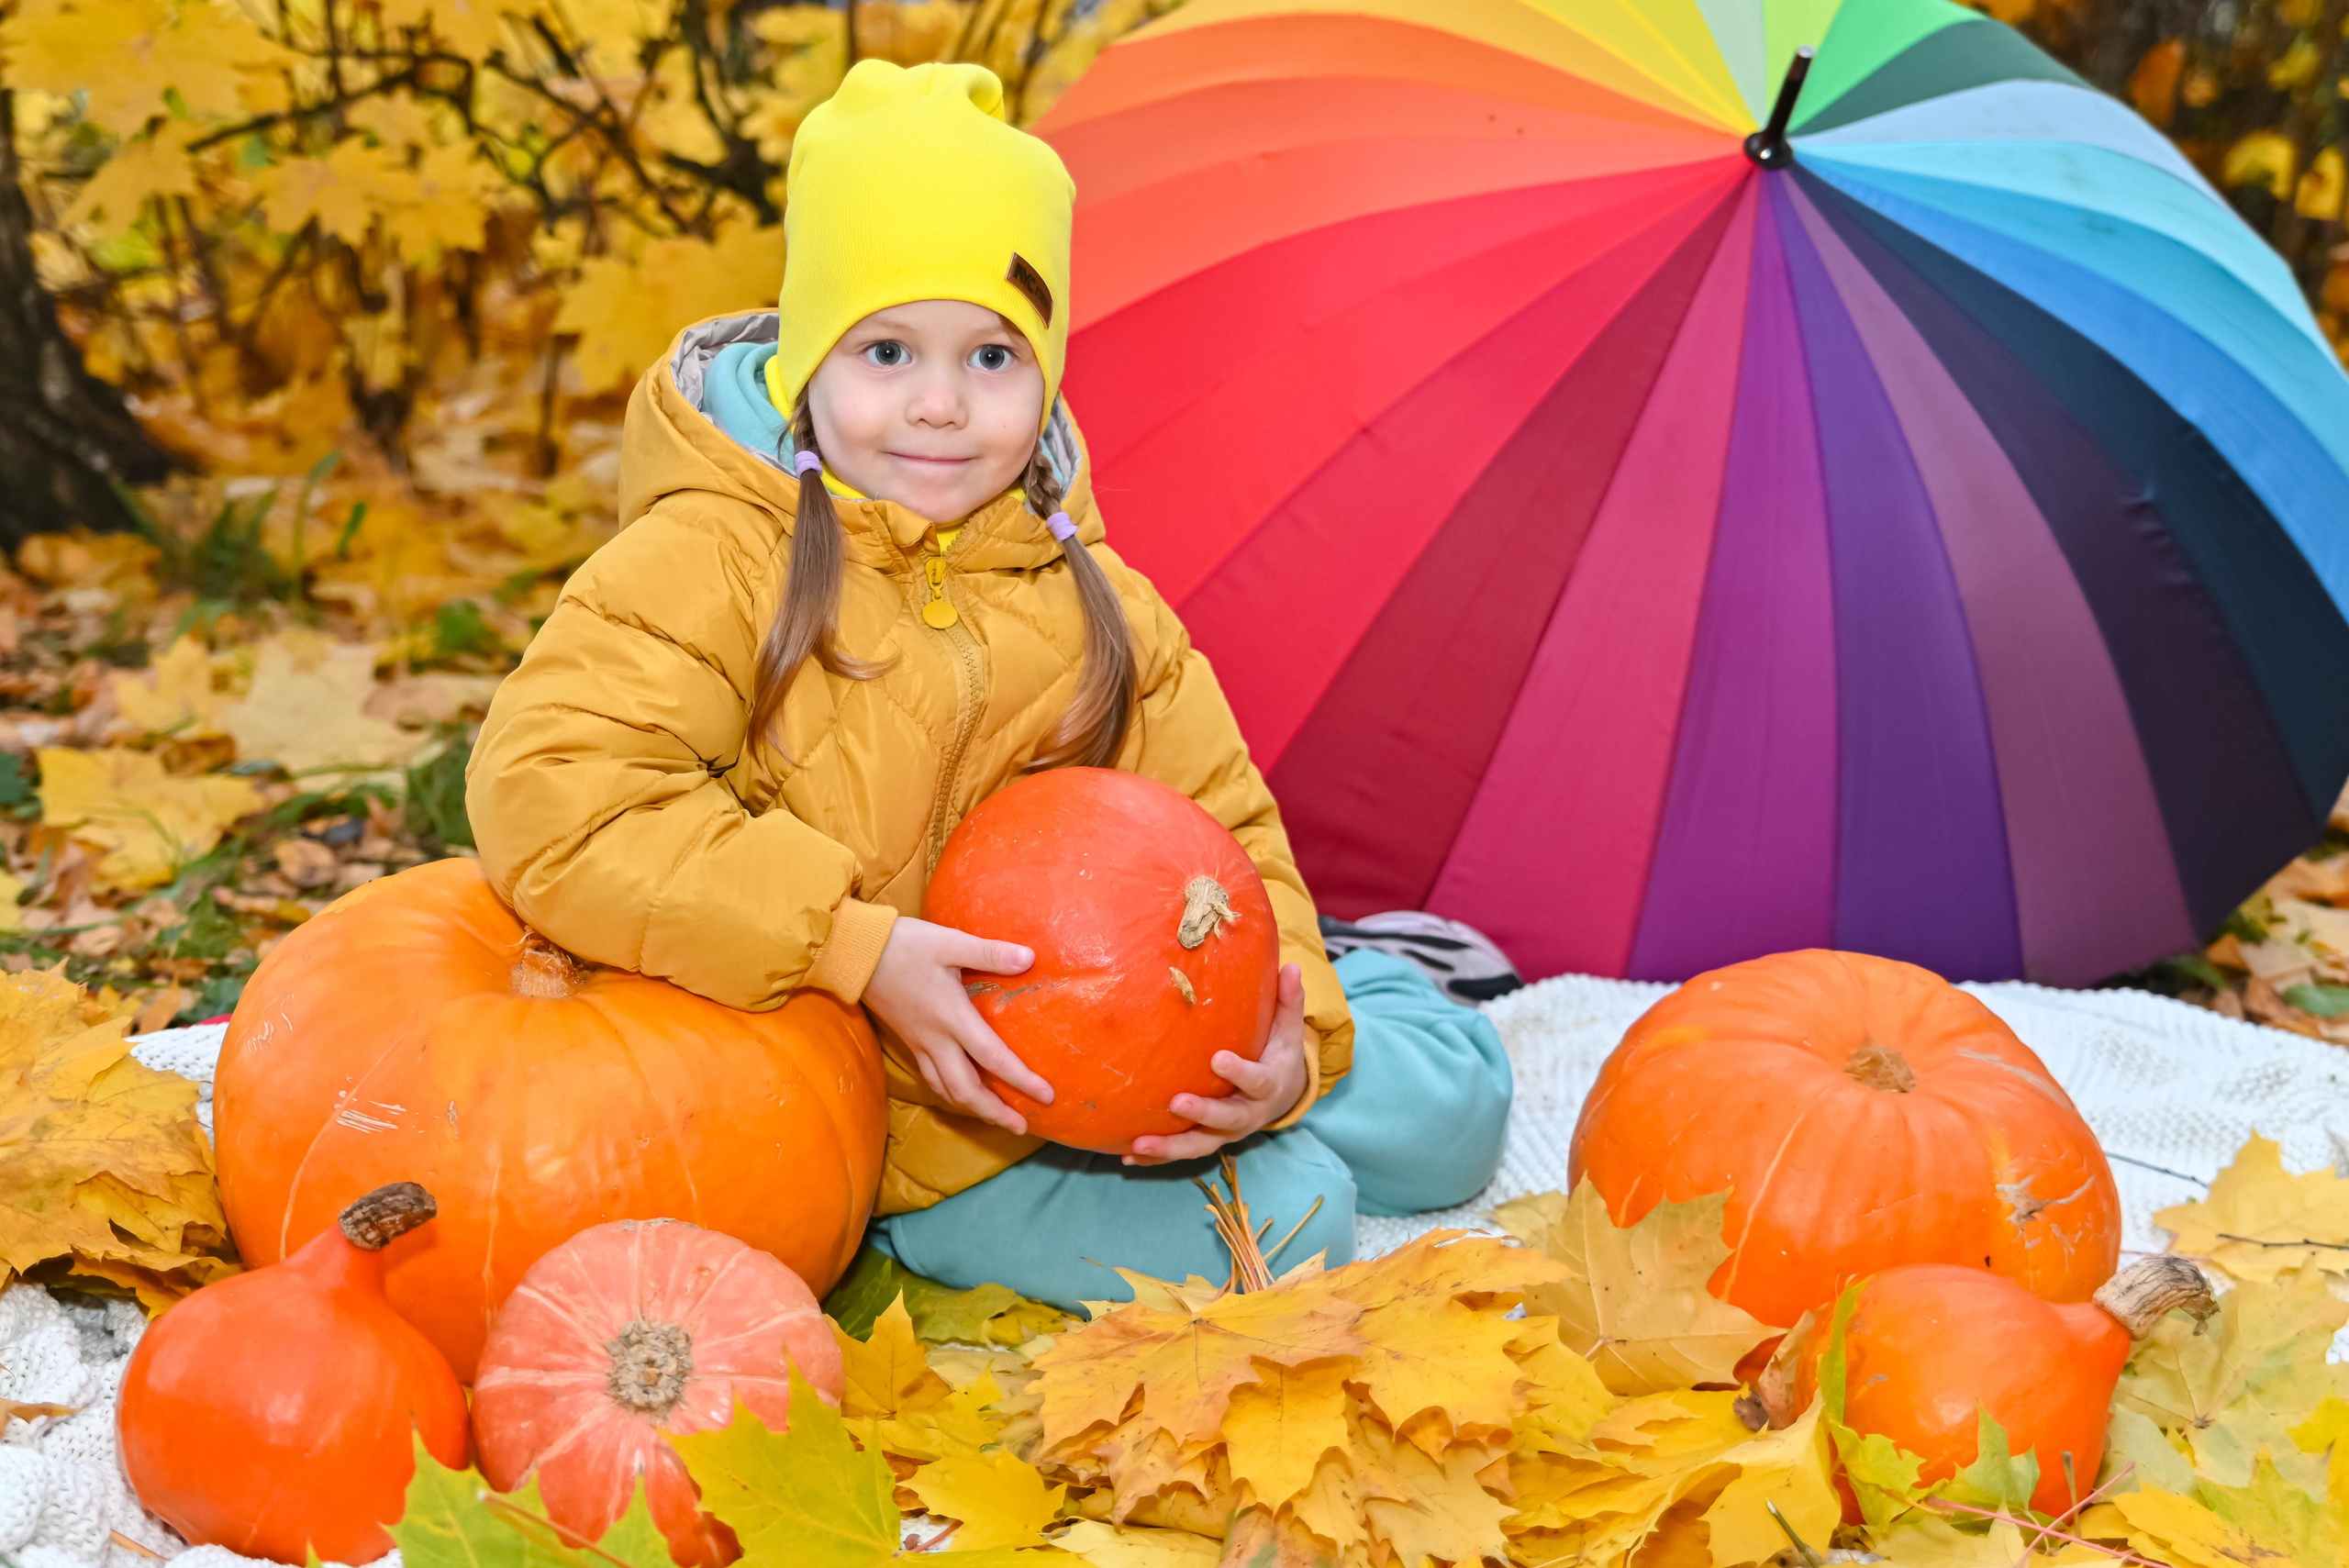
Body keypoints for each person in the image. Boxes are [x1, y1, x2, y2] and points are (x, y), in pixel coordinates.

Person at [465, 60, 1512, 1312]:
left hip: (1117, 1008)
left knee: (1456, 1117)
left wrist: (1296, 1040)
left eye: (995, 356)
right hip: (918, 1102)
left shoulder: (1090, 592)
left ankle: (1366, 977)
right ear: (810, 356)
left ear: (1049, 372)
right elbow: (555, 795)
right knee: (1298, 1222)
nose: (942, 405)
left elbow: (1223, 822)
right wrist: (857, 948)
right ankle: (931, 1226)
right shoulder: (712, 559)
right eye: (889, 348)